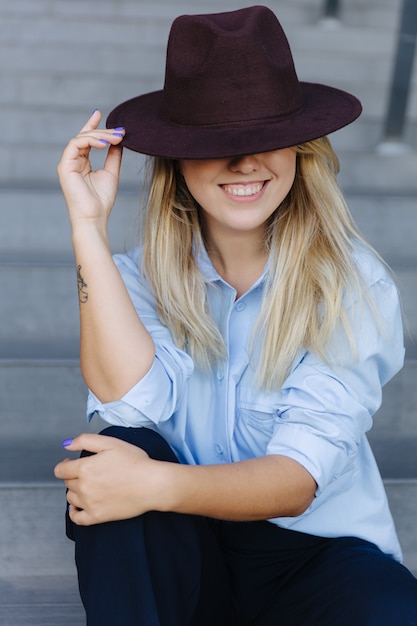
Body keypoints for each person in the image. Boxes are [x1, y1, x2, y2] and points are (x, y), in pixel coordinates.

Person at [54, 5, 417, 625]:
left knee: (391, 608)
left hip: (312, 557)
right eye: (216, 143)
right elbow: (126, 404)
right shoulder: (139, 277)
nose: (244, 161)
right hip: (183, 554)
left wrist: (156, 486)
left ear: (301, 151)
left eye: (264, 138)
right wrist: (88, 227)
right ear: (177, 160)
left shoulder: (351, 282)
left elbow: (298, 479)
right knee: (118, 451)